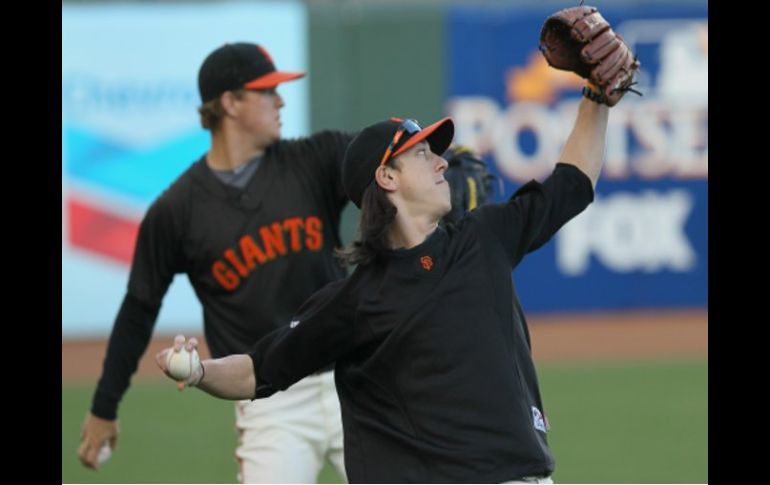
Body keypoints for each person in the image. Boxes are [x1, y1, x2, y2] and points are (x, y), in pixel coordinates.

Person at [155, 93, 611, 483]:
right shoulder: (357, 302)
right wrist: (197, 372)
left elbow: (573, 183)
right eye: (421, 153)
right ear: (387, 178)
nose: (441, 161)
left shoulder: (484, 237)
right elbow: (258, 370)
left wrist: (597, 98)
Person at [77, 42, 352, 483]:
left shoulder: (316, 159)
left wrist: (445, 165)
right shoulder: (177, 210)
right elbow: (139, 309)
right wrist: (103, 408)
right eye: (267, 91)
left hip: (353, 378)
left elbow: (386, 162)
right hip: (268, 397)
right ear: (230, 102)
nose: (280, 100)